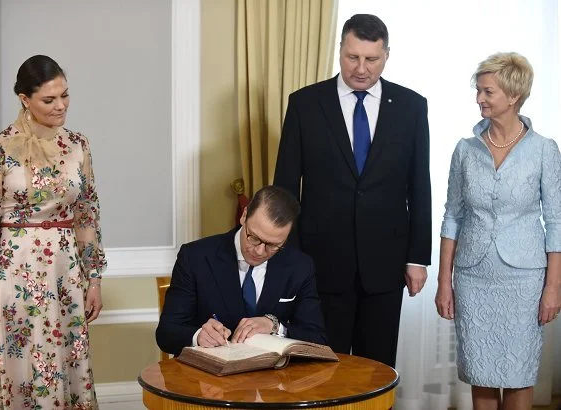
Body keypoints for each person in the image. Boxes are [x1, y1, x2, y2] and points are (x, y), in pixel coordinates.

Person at [273, 14, 431, 367]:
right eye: (352, 57)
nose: (361, 68)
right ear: (339, 50)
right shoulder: (304, 104)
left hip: (386, 265)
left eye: (371, 59)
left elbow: (420, 186)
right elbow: (285, 189)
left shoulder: (411, 106)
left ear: (387, 55)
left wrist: (417, 258)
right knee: (320, 371)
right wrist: (288, 261)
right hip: (320, 264)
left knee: (376, 373)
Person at [0, 55, 107, 409]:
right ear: (24, 99)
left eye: (65, 95)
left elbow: (87, 214)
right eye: (49, 99)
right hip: (14, 274)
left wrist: (94, 279)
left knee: (68, 362)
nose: (61, 106)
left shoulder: (79, 145)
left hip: (66, 274)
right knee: (19, 369)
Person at [436, 52, 561, 409]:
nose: (480, 98)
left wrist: (554, 287)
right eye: (479, 90)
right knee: (481, 374)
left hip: (524, 280)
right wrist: (445, 281)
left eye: (488, 91)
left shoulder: (544, 151)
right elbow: (452, 217)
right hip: (474, 278)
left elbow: (556, 222)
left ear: (514, 96)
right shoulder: (464, 151)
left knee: (519, 373)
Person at [156, 185, 327, 356]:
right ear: (244, 216)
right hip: (210, 378)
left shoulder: (300, 266)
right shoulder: (195, 257)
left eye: (273, 245)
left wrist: (274, 326)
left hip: (274, 378)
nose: (259, 251)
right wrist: (198, 336)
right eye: (254, 237)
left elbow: (316, 338)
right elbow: (166, 333)